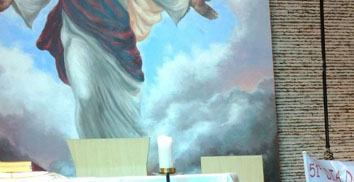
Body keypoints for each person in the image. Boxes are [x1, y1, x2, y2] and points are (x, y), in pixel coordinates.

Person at [0, 0, 217, 139]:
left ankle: (122, 152)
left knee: (122, 102)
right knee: (85, 95)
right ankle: (90, 151)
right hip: (77, 31)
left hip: (115, 33)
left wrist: (190, 2)